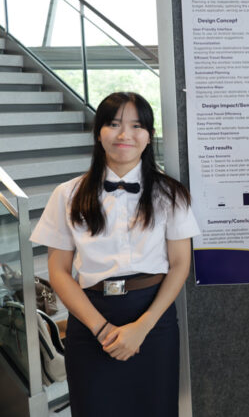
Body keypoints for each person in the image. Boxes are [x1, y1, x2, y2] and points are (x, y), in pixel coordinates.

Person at [30, 92, 200, 417]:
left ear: (149, 136)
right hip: (90, 318)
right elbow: (59, 271)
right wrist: (102, 330)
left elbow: (180, 265)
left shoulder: (170, 194)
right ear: (99, 133)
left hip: (152, 319)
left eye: (136, 126)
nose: (125, 134)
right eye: (114, 124)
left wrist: (142, 327)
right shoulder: (67, 195)